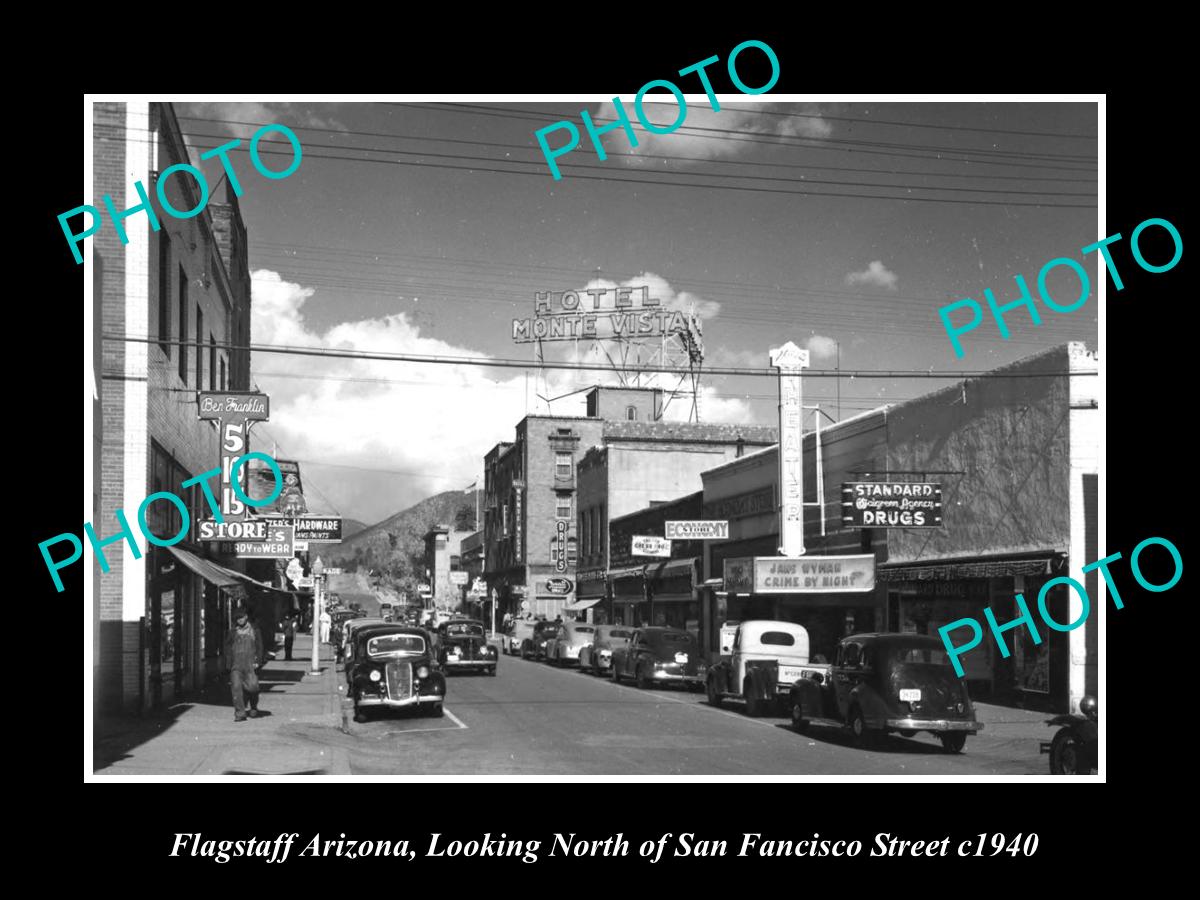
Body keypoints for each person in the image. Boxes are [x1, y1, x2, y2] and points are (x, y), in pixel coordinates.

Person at [223, 607, 265, 722]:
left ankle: (253, 706)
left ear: (246, 616)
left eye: (241, 617)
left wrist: (258, 661)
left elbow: (260, 647)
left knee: (253, 687)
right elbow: (227, 647)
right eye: (237, 619)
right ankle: (240, 713)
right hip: (236, 665)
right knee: (236, 688)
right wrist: (228, 663)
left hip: (251, 665)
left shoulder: (254, 630)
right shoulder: (232, 632)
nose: (240, 620)